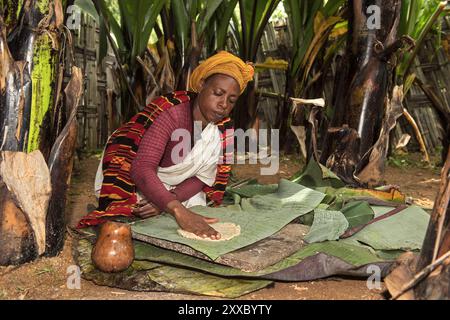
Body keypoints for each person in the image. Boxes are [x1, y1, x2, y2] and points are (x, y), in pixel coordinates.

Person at [77, 51, 254, 240]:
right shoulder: (171, 115)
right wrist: (176, 209)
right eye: (218, 93)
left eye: (232, 100)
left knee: (198, 208)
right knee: (131, 215)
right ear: (202, 85)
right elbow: (141, 169)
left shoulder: (221, 130)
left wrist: (168, 200)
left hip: (173, 187)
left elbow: (202, 178)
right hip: (131, 175)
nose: (223, 104)